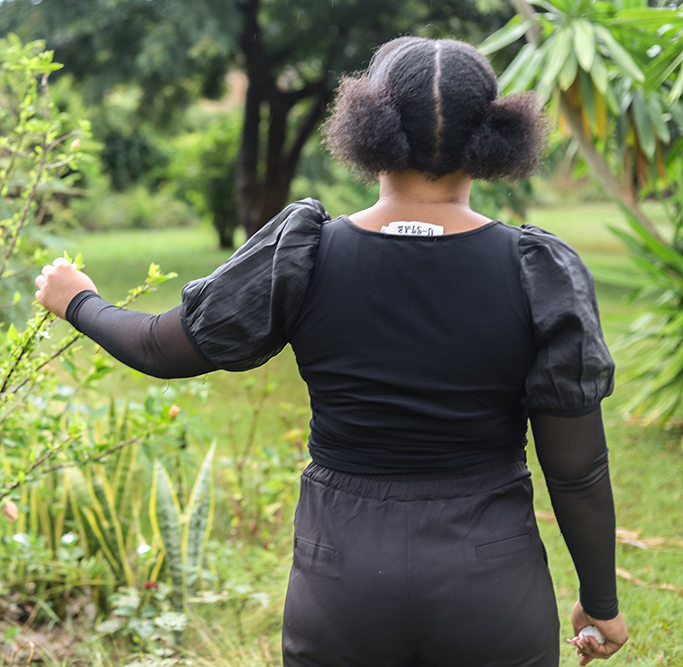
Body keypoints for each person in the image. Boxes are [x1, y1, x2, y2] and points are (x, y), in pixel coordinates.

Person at [34, 36, 628, 667]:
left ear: (369, 123)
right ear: (493, 131)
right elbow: (577, 470)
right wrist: (601, 602)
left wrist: (78, 300)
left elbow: (161, 347)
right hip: (489, 582)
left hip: (342, 580)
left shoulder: (307, 255)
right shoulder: (539, 271)